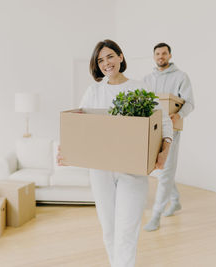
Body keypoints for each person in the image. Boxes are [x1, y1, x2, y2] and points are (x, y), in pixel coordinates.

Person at [57, 39, 173, 267]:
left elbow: (164, 122)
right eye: (100, 60)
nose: (106, 63)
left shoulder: (140, 87)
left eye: (110, 56)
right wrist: (67, 150)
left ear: (120, 57)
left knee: (126, 232)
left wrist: (164, 151)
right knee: (109, 231)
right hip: (101, 172)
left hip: (133, 171)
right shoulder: (93, 91)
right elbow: (78, 125)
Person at [143, 43, 195, 232]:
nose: (161, 56)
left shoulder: (181, 77)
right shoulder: (147, 79)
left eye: (164, 53)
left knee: (165, 172)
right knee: (162, 170)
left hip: (172, 131)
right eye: (157, 53)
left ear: (170, 55)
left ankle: (156, 215)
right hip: (153, 130)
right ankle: (176, 201)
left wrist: (178, 115)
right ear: (154, 56)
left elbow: (189, 102)